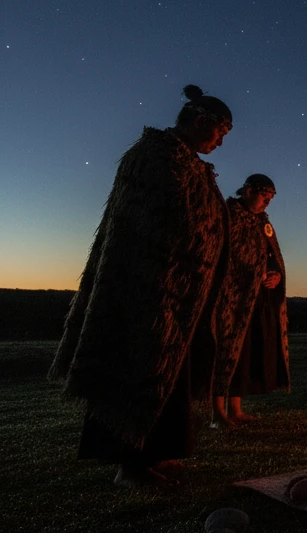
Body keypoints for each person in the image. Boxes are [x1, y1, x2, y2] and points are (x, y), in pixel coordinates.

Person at [49, 84, 232, 487]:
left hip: (181, 297)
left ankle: (156, 453)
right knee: (137, 369)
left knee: (169, 377)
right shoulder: (154, 157)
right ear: (201, 122)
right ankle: (129, 465)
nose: (220, 143)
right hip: (145, 291)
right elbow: (146, 224)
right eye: (219, 133)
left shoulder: (191, 164)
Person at [212, 174, 289, 427]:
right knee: (225, 351)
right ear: (247, 191)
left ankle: (236, 409)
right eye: (263, 196)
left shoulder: (263, 223)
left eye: (270, 199)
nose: (267, 203)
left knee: (244, 353)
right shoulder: (227, 215)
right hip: (231, 298)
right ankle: (217, 413)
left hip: (257, 298)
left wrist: (275, 274)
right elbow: (221, 254)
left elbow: (270, 256)